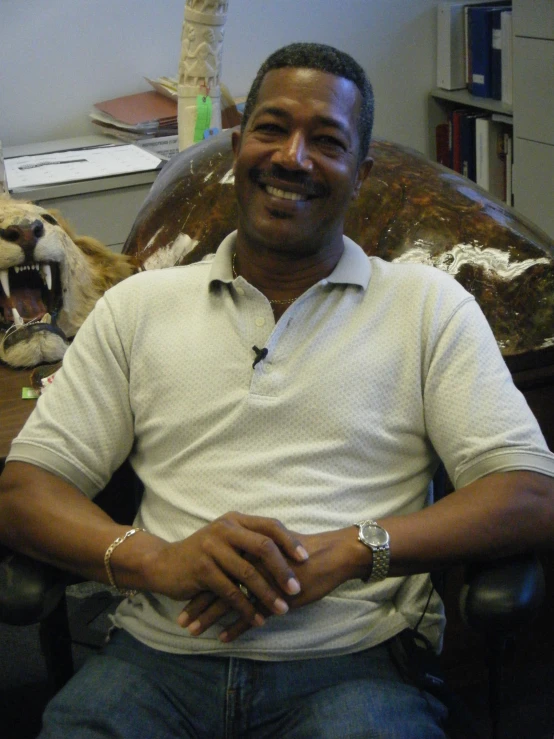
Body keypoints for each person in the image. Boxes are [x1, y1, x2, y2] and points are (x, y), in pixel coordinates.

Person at [1, 42, 553, 738]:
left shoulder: (427, 307)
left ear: (361, 173)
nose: (292, 156)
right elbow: (23, 493)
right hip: (153, 662)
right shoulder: (138, 306)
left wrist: (358, 547)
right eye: (271, 129)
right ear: (238, 147)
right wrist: (157, 559)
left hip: (354, 667)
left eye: (326, 140)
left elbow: (531, 495)